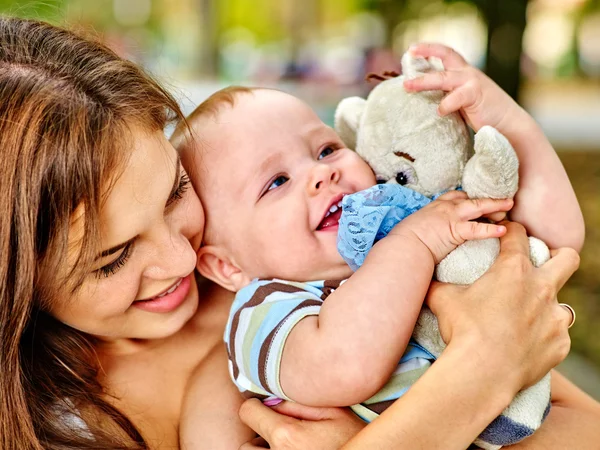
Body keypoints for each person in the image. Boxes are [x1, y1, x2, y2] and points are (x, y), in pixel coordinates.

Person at [0, 16, 595, 450]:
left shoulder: (309, 258)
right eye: (112, 259)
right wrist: (474, 379)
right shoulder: (65, 421)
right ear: (16, 281)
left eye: (176, 190)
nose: (182, 259)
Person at [174, 40, 585, 447]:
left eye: (327, 149)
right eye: (277, 182)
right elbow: (344, 366)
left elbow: (556, 242)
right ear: (228, 267)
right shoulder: (263, 310)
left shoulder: (409, 217)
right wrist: (416, 243)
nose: (321, 174)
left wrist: (509, 123)